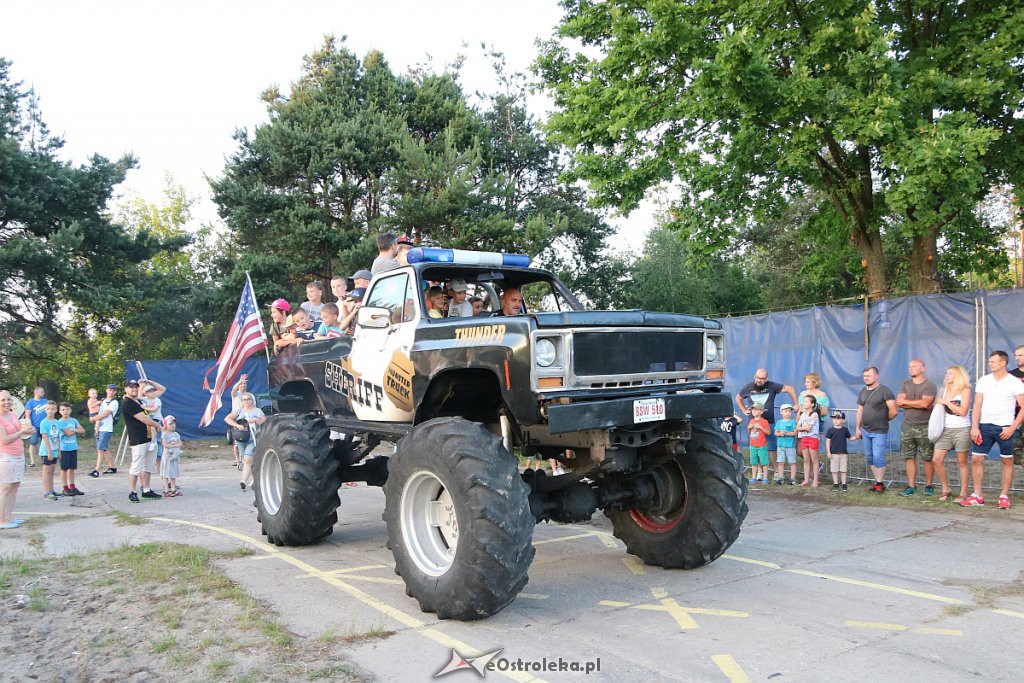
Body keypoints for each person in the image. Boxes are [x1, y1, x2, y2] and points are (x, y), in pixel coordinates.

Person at [963, 351, 1024, 509]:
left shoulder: (1015, 382)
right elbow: (977, 404)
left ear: (1003, 363)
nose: (990, 364)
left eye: (993, 361)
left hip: (1005, 427)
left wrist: (1012, 428)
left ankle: (1004, 495)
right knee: (976, 459)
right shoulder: (984, 380)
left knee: (1007, 460)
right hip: (984, 426)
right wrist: (975, 427)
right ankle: (977, 495)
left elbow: (1023, 407)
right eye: (989, 361)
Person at [735, 369, 799, 471]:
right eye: (757, 378)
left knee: (772, 448)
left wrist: (796, 404)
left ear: (766, 379)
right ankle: (760, 471)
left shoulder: (772, 386)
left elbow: (790, 389)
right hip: (754, 423)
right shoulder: (748, 387)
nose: (759, 380)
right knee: (757, 447)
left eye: (762, 378)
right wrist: (744, 410)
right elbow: (738, 398)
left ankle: (777, 471)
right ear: (754, 376)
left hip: (769, 422)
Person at [932, 365, 972, 503]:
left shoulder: (965, 390)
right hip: (945, 429)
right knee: (936, 459)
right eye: (946, 373)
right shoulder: (943, 390)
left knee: (962, 462)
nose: (947, 376)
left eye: (950, 373)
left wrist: (947, 402)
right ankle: (945, 488)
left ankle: (963, 492)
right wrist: (941, 401)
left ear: (958, 376)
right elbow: (937, 406)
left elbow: (963, 411)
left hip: (962, 429)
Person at [897, 359, 937, 496]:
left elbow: (925, 404)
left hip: (925, 426)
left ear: (923, 368)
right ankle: (911, 486)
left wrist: (907, 403)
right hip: (907, 426)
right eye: (909, 366)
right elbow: (899, 402)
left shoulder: (929, 385)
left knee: (927, 457)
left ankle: (929, 485)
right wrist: (917, 403)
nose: (911, 369)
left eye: (914, 366)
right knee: (909, 457)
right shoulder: (905, 384)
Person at [855, 367, 898, 493]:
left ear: (877, 376)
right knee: (870, 457)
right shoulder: (863, 391)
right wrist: (857, 428)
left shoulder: (885, 391)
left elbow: (894, 411)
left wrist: (883, 420)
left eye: (869, 375)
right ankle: (878, 482)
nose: (866, 378)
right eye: (864, 376)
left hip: (879, 430)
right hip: (865, 430)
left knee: (878, 456)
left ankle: (879, 483)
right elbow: (860, 410)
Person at [122, 380, 163, 503]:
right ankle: (132, 491)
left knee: (148, 466)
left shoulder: (139, 401)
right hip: (138, 438)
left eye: (135, 387)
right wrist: (157, 425)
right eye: (131, 387)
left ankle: (146, 489)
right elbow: (143, 418)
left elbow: (160, 391)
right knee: (136, 466)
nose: (134, 389)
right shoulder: (128, 403)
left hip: (149, 437)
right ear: (126, 389)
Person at [0, 390, 34, 529]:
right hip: (6, 457)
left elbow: (21, 428)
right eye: (3, 400)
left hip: (19, 455)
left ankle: (9, 518)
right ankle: (1, 521)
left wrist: (29, 429)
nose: (6, 402)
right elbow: (5, 439)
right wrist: (21, 432)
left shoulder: (12, 415)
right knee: (5, 488)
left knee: (14, 486)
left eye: (8, 399)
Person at [226, 393, 266, 491]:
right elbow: (227, 419)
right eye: (244, 400)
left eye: (248, 399)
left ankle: (243, 481)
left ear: (252, 400)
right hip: (241, 439)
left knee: (248, 459)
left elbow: (263, 420)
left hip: (253, 438)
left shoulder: (257, 411)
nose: (246, 401)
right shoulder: (239, 411)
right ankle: (253, 477)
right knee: (246, 460)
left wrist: (255, 420)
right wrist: (236, 425)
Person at [89, 384, 119, 477]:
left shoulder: (114, 403)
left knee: (100, 449)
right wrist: (93, 417)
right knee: (104, 448)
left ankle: (96, 470)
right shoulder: (102, 401)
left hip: (106, 428)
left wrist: (94, 418)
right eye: (110, 390)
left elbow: (105, 414)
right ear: (106, 390)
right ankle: (112, 467)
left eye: (113, 390)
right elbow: (95, 410)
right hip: (100, 428)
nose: (111, 392)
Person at [57, 402, 85, 497]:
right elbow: (67, 433)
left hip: (73, 447)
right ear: (60, 411)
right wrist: (74, 430)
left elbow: (82, 430)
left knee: (72, 468)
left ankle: (72, 487)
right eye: (63, 410)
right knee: (64, 468)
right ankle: (65, 488)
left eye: (67, 409)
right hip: (64, 448)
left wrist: (73, 430)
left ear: (70, 410)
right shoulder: (60, 422)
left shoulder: (73, 420)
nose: (65, 412)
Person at [37, 400, 61, 500]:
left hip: (55, 449)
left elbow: (58, 437)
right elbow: (45, 437)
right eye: (48, 409)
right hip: (47, 450)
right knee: (46, 471)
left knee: (52, 470)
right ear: (45, 410)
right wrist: (49, 452)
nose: (50, 411)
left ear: (56, 410)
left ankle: (52, 490)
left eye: (52, 409)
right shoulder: (44, 422)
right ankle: (46, 492)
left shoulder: (56, 422)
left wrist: (59, 450)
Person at [796, 394, 821, 487]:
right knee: (806, 459)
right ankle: (806, 479)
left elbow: (809, 427)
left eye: (806, 401)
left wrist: (803, 428)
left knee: (814, 459)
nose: (804, 403)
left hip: (812, 438)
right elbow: (797, 427)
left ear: (812, 404)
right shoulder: (802, 415)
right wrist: (803, 428)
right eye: (804, 401)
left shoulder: (814, 414)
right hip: (804, 438)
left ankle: (815, 480)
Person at [825, 410, 854, 491]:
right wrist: (828, 451)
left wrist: (856, 437)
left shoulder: (845, 430)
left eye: (838, 419)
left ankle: (844, 484)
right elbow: (828, 441)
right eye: (834, 419)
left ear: (843, 420)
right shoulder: (830, 430)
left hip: (843, 453)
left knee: (843, 469)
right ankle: (836, 483)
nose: (835, 420)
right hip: (833, 453)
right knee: (834, 470)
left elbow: (850, 438)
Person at [773, 404, 798, 485]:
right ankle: (780, 477)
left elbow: (795, 432)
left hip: (790, 446)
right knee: (780, 462)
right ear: (781, 412)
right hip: (780, 446)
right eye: (786, 411)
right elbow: (775, 432)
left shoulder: (792, 422)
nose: (788, 413)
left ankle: (792, 478)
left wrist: (786, 433)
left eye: (789, 411)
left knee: (792, 462)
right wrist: (780, 433)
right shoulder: (779, 422)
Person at [23, 385, 47, 467]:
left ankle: (45, 459)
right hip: (35, 426)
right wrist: (29, 425)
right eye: (41, 392)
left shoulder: (46, 401)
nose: (43, 393)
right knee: (33, 443)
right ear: (36, 392)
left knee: (45, 442)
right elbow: (27, 415)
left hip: (44, 426)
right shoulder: (30, 402)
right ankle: (32, 461)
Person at [746, 403, 770, 484]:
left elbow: (768, 432)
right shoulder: (751, 420)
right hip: (753, 445)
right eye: (753, 409)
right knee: (754, 462)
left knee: (764, 462)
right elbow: (749, 430)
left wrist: (760, 427)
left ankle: (765, 478)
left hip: (762, 445)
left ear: (761, 411)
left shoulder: (764, 421)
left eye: (756, 409)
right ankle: (753, 477)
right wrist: (749, 427)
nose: (754, 411)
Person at [229, 374, 250, 467]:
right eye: (242, 384)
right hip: (237, 420)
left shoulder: (249, 395)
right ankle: (238, 460)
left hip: (247, 420)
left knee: (247, 439)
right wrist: (240, 381)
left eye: (245, 384)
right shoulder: (236, 394)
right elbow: (233, 390)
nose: (243, 385)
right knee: (237, 442)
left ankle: (246, 458)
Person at [161, 416, 182, 497]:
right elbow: (165, 445)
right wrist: (172, 446)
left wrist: (176, 445)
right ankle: (166, 490)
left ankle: (173, 489)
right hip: (167, 457)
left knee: (173, 473)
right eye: (170, 424)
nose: (173, 425)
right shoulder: (165, 434)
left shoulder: (176, 434)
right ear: (166, 425)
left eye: (173, 423)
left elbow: (180, 443)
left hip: (174, 457)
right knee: (165, 473)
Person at [1012, 345, 1024, 468]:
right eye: (1016, 355)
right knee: (1018, 456)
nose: (1017, 358)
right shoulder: (1010, 375)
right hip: (1015, 420)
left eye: (1020, 355)